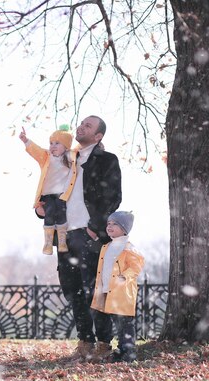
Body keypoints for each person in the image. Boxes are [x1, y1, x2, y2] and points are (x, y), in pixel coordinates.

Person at [41, 116, 122, 361]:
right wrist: (40, 209)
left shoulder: (106, 160)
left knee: (94, 291)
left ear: (98, 136)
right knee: (72, 290)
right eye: (81, 123)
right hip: (64, 234)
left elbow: (113, 196)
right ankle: (85, 342)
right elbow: (50, 187)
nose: (81, 127)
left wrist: (96, 228)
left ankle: (104, 344)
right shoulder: (67, 158)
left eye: (88, 126)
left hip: (89, 234)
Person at [90, 211, 145, 363]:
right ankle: (119, 350)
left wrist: (124, 276)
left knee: (124, 324)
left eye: (115, 224)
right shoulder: (106, 247)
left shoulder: (128, 248)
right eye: (108, 224)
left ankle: (128, 352)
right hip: (107, 289)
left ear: (124, 229)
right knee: (108, 320)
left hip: (121, 291)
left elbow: (137, 266)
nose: (110, 227)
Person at [19, 125, 77, 255]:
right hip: (48, 195)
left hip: (62, 195)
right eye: (51, 143)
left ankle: (62, 242)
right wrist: (26, 140)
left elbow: (81, 151)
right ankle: (48, 242)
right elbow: (36, 151)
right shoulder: (46, 157)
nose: (53, 146)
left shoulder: (71, 158)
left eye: (57, 143)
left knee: (62, 216)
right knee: (49, 215)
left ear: (66, 146)